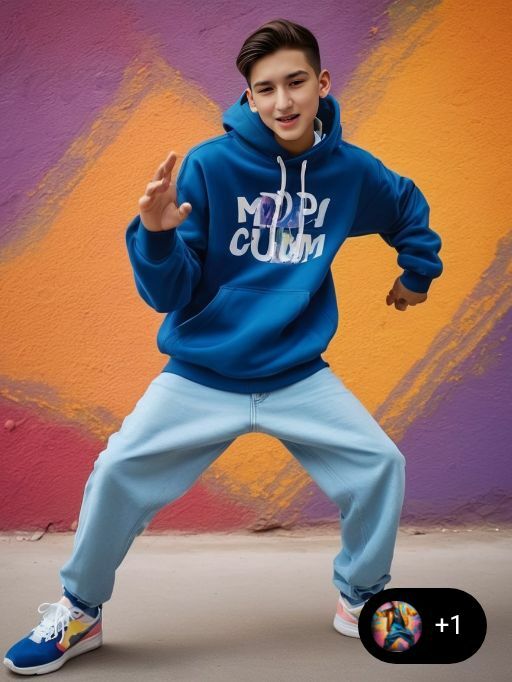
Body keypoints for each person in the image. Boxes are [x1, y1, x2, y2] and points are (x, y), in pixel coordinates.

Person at [4, 17, 443, 675]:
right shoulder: (210, 166)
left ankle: (360, 598)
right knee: (117, 470)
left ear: (322, 84)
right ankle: (79, 610)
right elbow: (170, 292)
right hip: (202, 374)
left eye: (296, 82)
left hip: (296, 374)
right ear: (248, 95)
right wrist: (155, 236)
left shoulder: (348, 173)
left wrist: (416, 273)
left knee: (380, 464)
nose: (282, 101)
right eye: (265, 88)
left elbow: (406, 206)